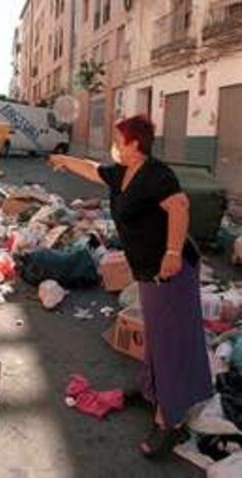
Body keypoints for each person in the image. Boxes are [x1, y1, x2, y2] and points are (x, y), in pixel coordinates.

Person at [49, 115, 212, 458]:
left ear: (135, 143)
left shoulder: (157, 173)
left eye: (119, 139)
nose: (114, 145)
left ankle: (169, 422)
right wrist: (64, 159)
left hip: (171, 272)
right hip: (148, 272)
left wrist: (171, 252)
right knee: (157, 337)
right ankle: (153, 391)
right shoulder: (124, 173)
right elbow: (93, 169)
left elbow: (179, 207)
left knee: (171, 342)